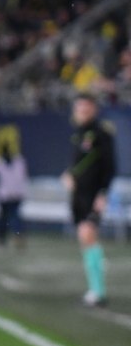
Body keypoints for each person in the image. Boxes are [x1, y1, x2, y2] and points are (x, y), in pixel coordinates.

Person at [63, 93, 116, 307]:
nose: (81, 111)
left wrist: (103, 193)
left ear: (93, 108)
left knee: (88, 235)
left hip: (94, 195)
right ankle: (94, 289)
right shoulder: (79, 133)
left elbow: (110, 166)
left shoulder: (101, 133)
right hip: (79, 196)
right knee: (84, 239)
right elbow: (79, 164)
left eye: (85, 107)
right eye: (78, 107)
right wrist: (69, 175)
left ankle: (98, 292)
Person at [0, 144, 28, 248]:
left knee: (7, 217)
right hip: (11, 194)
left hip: (8, 194)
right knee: (11, 217)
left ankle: (5, 238)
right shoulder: (19, 161)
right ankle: (12, 236)